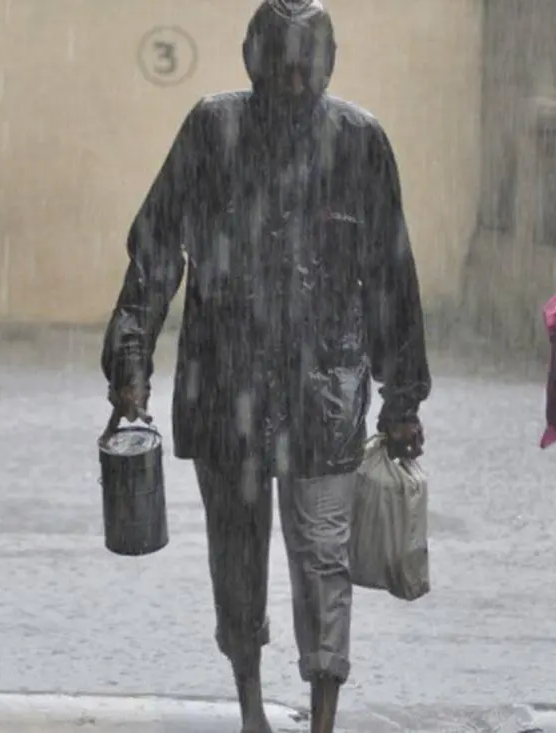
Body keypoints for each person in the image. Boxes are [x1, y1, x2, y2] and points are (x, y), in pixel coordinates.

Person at [100, 1, 431, 731]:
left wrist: (402, 395)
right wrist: (131, 360)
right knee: (238, 561)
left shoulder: (359, 143)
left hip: (328, 396)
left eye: (307, 65)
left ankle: (322, 714)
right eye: (278, 63)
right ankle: (249, 703)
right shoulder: (210, 131)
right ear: (249, 59)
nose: (293, 81)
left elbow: (390, 275)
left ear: (329, 65)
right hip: (227, 390)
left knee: (323, 559)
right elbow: (154, 254)